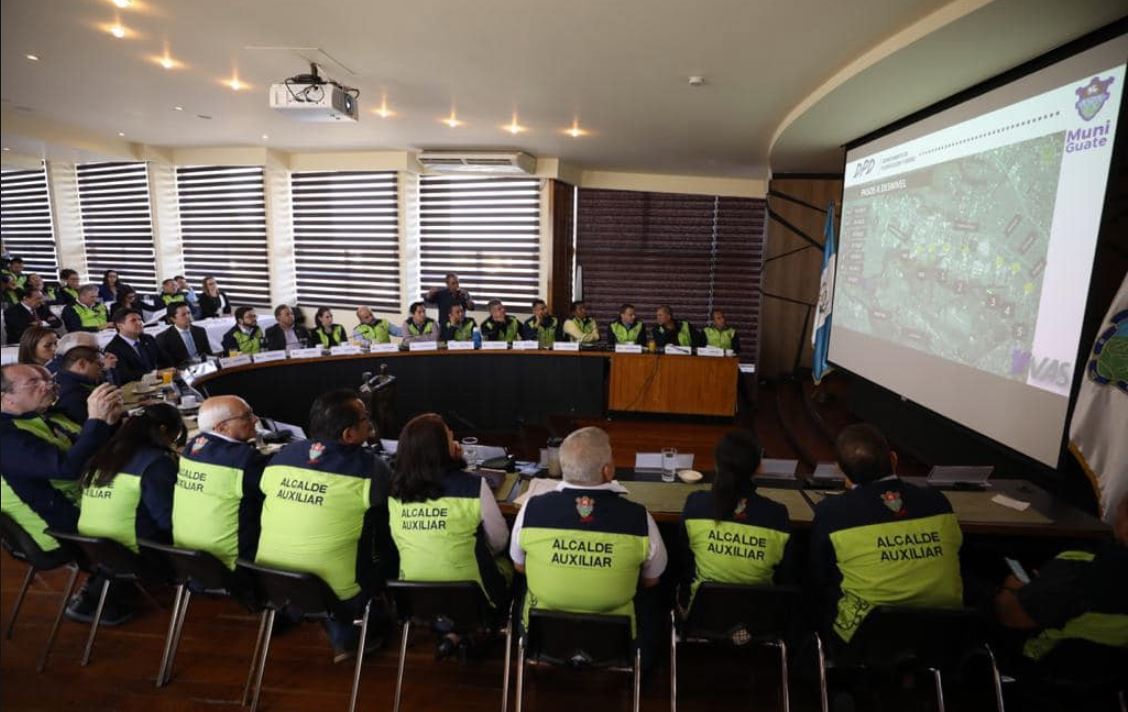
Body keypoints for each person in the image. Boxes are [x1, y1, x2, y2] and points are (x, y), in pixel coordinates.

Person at [510, 426, 667, 664]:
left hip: (543, 635)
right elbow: (652, 579)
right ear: (607, 471)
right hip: (615, 639)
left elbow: (519, 567)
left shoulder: (531, 510)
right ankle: (644, 666)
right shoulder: (639, 518)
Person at [256, 389, 392, 661]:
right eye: (365, 418)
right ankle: (349, 630)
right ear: (349, 435)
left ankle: (303, 613)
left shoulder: (280, 457)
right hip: (338, 590)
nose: (370, 423)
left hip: (272, 581)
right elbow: (385, 527)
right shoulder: (371, 468)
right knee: (385, 544)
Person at [809, 423, 963, 649]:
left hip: (866, 637)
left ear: (843, 473)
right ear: (893, 459)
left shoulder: (833, 512)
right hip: (942, 634)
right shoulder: (937, 502)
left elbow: (818, 575)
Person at [0, 364, 124, 619]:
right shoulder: (6, 438)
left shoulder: (44, 415)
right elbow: (66, 467)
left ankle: (116, 581)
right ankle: (115, 583)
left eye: (45, 378)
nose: (46, 385)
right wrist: (96, 422)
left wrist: (108, 424)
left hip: (83, 500)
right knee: (154, 505)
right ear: (6, 398)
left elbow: (82, 450)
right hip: (58, 527)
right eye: (33, 383)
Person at [389, 413, 512, 655]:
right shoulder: (473, 486)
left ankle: (453, 634)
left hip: (416, 601)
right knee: (510, 563)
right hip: (478, 602)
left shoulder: (395, 492)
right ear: (440, 450)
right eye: (449, 437)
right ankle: (478, 633)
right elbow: (500, 541)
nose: (456, 442)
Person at [992, 493, 1128, 679]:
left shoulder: (1082, 566)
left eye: (1120, 509)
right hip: (1112, 680)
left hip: (1044, 668)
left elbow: (1012, 616)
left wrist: (1010, 589)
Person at [678, 430, 793, 608]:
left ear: (716, 465)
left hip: (702, 617)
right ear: (759, 467)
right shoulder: (777, 515)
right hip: (758, 622)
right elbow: (785, 576)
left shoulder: (696, 504)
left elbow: (684, 563)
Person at [173, 395, 268, 569]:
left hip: (188, 559)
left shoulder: (191, 447)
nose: (255, 420)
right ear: (222, 427)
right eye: (246, 416)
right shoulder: (245, 460)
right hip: (231, 563)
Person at [77, 403, 184, 552]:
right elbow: (170, 521)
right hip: (140, 553)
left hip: (97, 553)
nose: (173, 443)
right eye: (175, 437)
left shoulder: (103, 455)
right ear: (163, 430)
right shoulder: (156, 463)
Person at [104, 308, 174, 384]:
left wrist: (170, 370)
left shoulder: (148, 339)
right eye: (133, 320)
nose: (139, 323)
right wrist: (156, 374)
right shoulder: (113, 349)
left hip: (158, 384)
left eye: (140, 320)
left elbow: (165, 360)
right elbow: (126, 376)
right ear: (120, 326)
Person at [53, 345, 105, 423]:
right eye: (99, 365)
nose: (102, 370)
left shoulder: (71, 383)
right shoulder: (72, 394)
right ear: (82, 364)